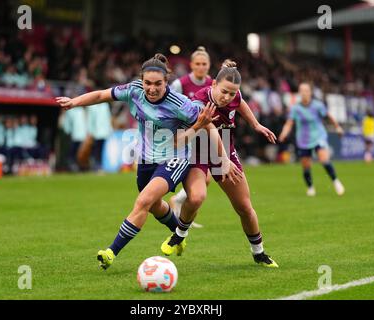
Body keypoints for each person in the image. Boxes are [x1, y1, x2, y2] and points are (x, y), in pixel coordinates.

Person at [56, 54, 242, 270]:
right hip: (146, 158)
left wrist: (224, 159)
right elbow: (100, 95)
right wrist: (74, 102)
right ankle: (179, 234)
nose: (152, 88)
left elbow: (208, 126)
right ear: (141, 80)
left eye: (158, 84)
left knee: (143, 201)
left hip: (175, 157)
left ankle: (111, 252)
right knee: (154, 206)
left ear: (166, 82)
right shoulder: (133, 90)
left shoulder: (180, 104)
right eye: (148, 83)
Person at [161, 60, 279, 268]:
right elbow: (209, 129)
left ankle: (258, 253)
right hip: (198, 150)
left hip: (224, 148)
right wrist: (223, 160)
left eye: (232, 93)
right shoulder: (199, 101)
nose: (227, 97)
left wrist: (256, 124)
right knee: (196, 197)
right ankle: (179, 235)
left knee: (244, 207)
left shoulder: (234, 96)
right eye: (224, 91)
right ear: (213, 84)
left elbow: (240, 102)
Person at [170, 46, 213, 228]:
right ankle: (181, 215)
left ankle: (179, 205)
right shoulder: (181, 84)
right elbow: (169, 105)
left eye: (204, 64)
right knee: (198, 176)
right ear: (191, 65)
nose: (201, 67)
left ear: (209, 65)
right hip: (186, 137)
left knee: (208, 179)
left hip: (205, 137)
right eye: (198, 64)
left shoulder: (213, 83)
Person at [279, 82, 345, 197]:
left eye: (306, 90)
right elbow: (289, 123)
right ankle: (310, 187)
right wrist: (284, 133)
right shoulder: (296, 108)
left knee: (324, 159)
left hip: (318, 136)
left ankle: (335, 181)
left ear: (310, 92)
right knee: (306, 166)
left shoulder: (317, 105)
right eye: (301, 91)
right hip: (303, 140)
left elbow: (328, 116)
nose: (304, 93)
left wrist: (338, 127)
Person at [86, 102, 113, 171]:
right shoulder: (92, 106)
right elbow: (90, 120)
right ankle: (96, 165)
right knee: (96, 150)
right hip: (96, 133)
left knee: (102, 150)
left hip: (104, 132)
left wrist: (110, 129)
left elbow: (108, 117)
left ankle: (100, 165)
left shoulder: (105, 105)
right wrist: (90, 132)